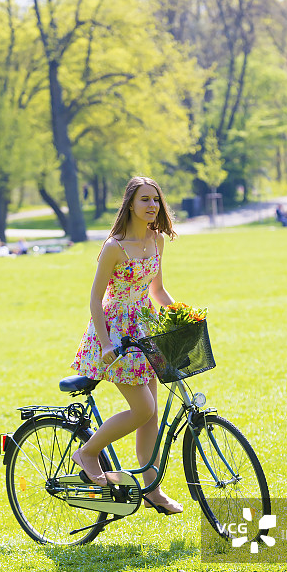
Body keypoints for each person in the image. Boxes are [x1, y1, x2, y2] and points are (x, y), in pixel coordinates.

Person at [71, 176, 183, 515]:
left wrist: (183, 315)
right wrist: (106, 344)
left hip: (146, 328)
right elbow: (95, 298)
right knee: (143, 409)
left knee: (151, 418)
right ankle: (88, 453)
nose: (152, 206)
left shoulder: (156, 240)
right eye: (145, 200)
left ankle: (153, 490)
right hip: (115, 333)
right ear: (130, 205)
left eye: (156, 200)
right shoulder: (114, 247)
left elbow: (157, 291)